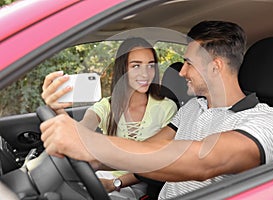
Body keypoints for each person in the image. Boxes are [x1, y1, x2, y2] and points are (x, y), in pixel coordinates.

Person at [40, 21, 273, 199]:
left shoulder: (267, 121)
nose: (181, 72)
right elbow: (147, 151)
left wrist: (91, 146)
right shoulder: (193, 108)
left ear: (215, 67)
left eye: (189, 64)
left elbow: (204, 162)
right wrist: (71, 129)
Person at [41, 37, 178, 199]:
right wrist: (56, 108)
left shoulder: (167, 107)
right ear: (123, 70)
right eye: (136, 66)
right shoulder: (107, 105)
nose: (145, 73)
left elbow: (159, 161)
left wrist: (115, 184)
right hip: (102, 178)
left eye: (150, 66)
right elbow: (80, 131)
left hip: (137, 185)